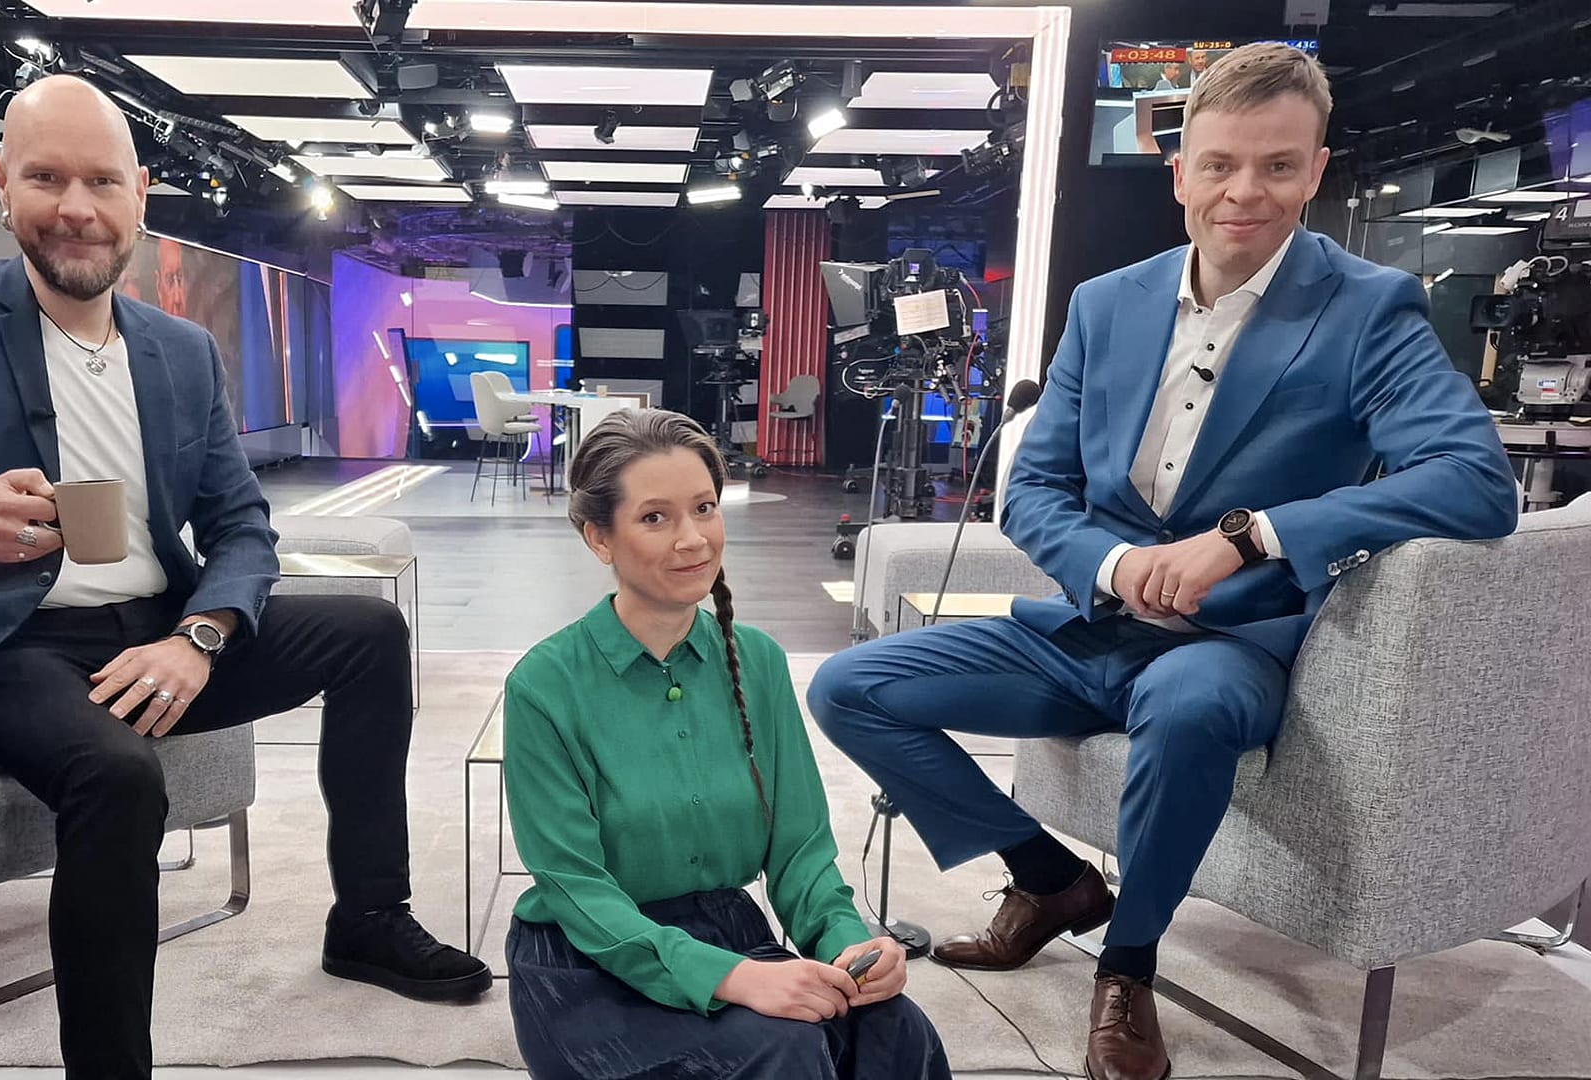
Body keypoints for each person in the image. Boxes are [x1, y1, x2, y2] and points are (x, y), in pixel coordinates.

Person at [0, 75, 489, 1080]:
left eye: (101, 181)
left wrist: (200, 635)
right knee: (117, 777)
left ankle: (369, 919)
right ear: (2, 186)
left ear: (140, 195)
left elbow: (241, 526)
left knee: (370, 634)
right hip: (9, 647)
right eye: (46, 178)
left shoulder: (182, 352)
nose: (75, 207)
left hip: (160, 630)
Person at [807, 42, 1517, 1080]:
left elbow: (1475, 481)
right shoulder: (1106, 303)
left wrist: (1249, 536)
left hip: (1232, 641)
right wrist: (1109, 565)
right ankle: (1048, 879)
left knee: (1186, 710)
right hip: (1090, 626)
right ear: (1180, 172)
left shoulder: (1367, 308)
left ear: (1317, 171)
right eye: (1220, 164)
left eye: (1278, 166)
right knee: (849, 688)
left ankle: (1127, 964)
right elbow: (1035, 491)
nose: (1245, 192)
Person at [503, 409, 951, 1080]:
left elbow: (800, 852)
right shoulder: (544, 686)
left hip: (724, 930)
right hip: (587, 964)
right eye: (655, 517)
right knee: (786, 1049)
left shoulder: (758, 662)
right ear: (600, 537)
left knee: (894, 1026)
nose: (693, 539)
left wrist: (849, 946)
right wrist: (734, 978)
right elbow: (576, 891)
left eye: (704, 508)